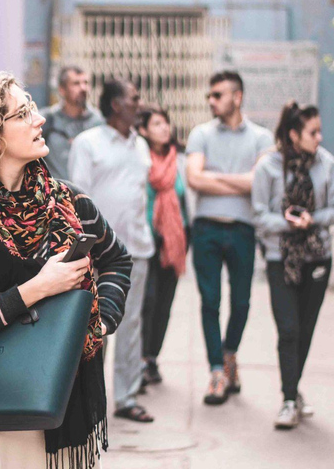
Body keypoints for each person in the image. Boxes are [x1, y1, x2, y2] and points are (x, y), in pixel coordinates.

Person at [0, 72, 132, 469]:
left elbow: (116, 260)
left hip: (60, 399)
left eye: (34, 109)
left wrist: (101, 322)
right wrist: (38, 288)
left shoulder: (69, 202)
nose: (39, 120)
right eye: (23, 113)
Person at [68, 79, 155, 423]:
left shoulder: (141, 145)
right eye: (135, 97)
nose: (140, 103)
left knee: (130, 325)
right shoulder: (88, 144)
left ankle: (127, 397)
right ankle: (88, 399)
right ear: (116, 104)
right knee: (91, 325)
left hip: (136, 248)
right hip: (98, 252)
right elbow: (77, 199)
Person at [186, 71, 273, 405]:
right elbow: (195, 179)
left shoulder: (261, 138)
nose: (211, 101)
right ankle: (216, 371)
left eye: (218, 95)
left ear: (237, 97)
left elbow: (259, 184)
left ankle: (230, 353)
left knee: (241, 302)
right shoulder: (201, 134)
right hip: (206, 227)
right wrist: (241, 179)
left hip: (242, 230)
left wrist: (215, 177)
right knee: (210, 301)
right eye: (210, 95)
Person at [252, 101, 334, 429]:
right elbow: (259, 217)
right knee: (289, 329)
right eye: (313, 132)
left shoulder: (326, 163)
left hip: (317, 257)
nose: (319, 137)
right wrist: (287, 223)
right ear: (293, 134)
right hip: (280, 259)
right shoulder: (268, 167)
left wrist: (314, 219)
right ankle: (289, 399)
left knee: (305, 330)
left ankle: (292, 390)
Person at [136, 107, 189, 385]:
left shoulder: (179, 159)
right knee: (148, 300)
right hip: (146, 238)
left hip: (175, 240)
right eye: (157, 123)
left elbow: (185, 199)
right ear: (143, 129)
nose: (164, 128)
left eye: (166, 123)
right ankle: (140, 359)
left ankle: (152, 358)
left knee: (164, 303)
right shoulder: (138, 157)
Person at [41, 66, 105, 180]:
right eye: (76, 83)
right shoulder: (47, 120)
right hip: (56, 194)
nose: (83, 88)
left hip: (88, 194)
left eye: (85, 83)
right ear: (62, 89)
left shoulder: (98, 121)